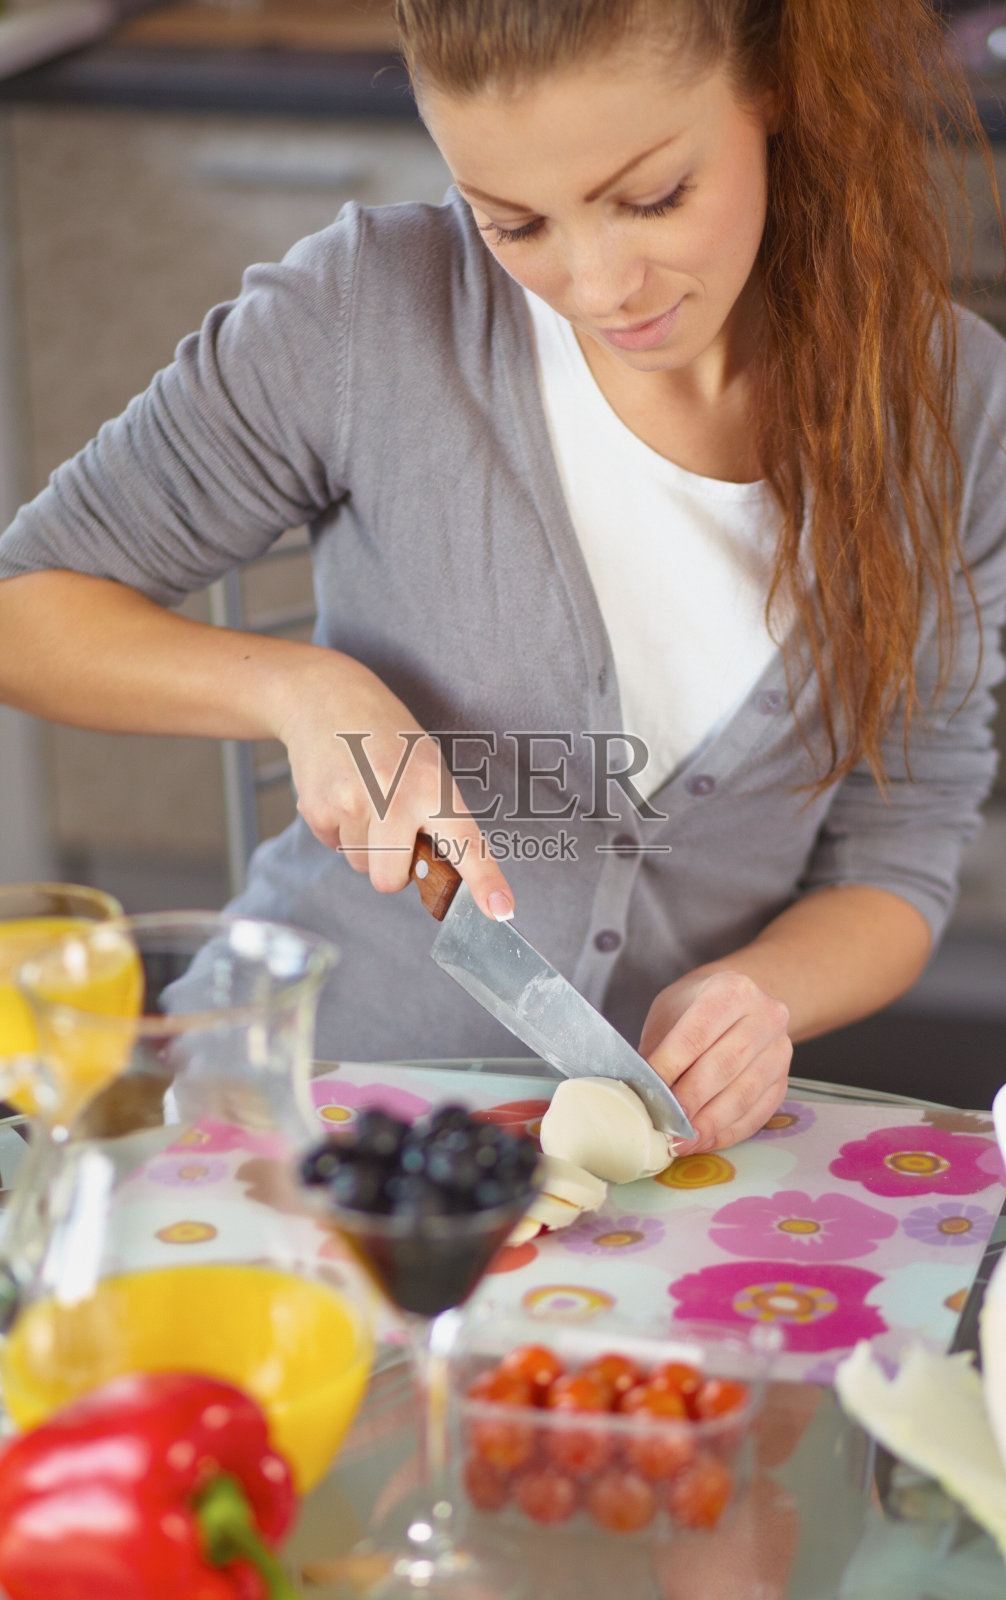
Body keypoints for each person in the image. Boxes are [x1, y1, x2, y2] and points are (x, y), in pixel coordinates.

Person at [0, 0, 1003, 1155]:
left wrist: (760, 994)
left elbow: (898, 854)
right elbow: (27, 610)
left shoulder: (954, 414)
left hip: (638, 1180)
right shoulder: (367, 313)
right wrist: (303, 690)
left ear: (771, 81)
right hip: (292, 1109)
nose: (598, 284)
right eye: (514, 224)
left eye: (652, 197)